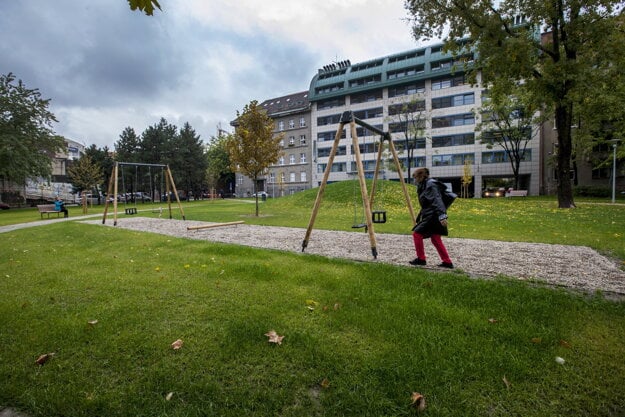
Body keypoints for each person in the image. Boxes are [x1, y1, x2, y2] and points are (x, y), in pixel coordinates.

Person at [409, 167, 453, 268]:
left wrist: (442, 216)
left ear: (421, 176)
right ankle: (447, 262)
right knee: (435, 238)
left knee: (417, 234)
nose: (414, 180)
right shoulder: (425, 185)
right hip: (432, 214)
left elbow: (437, 200)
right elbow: (427, 202)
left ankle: (421, 259)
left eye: (415, 177)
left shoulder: (430, 184)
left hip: (433, 215)